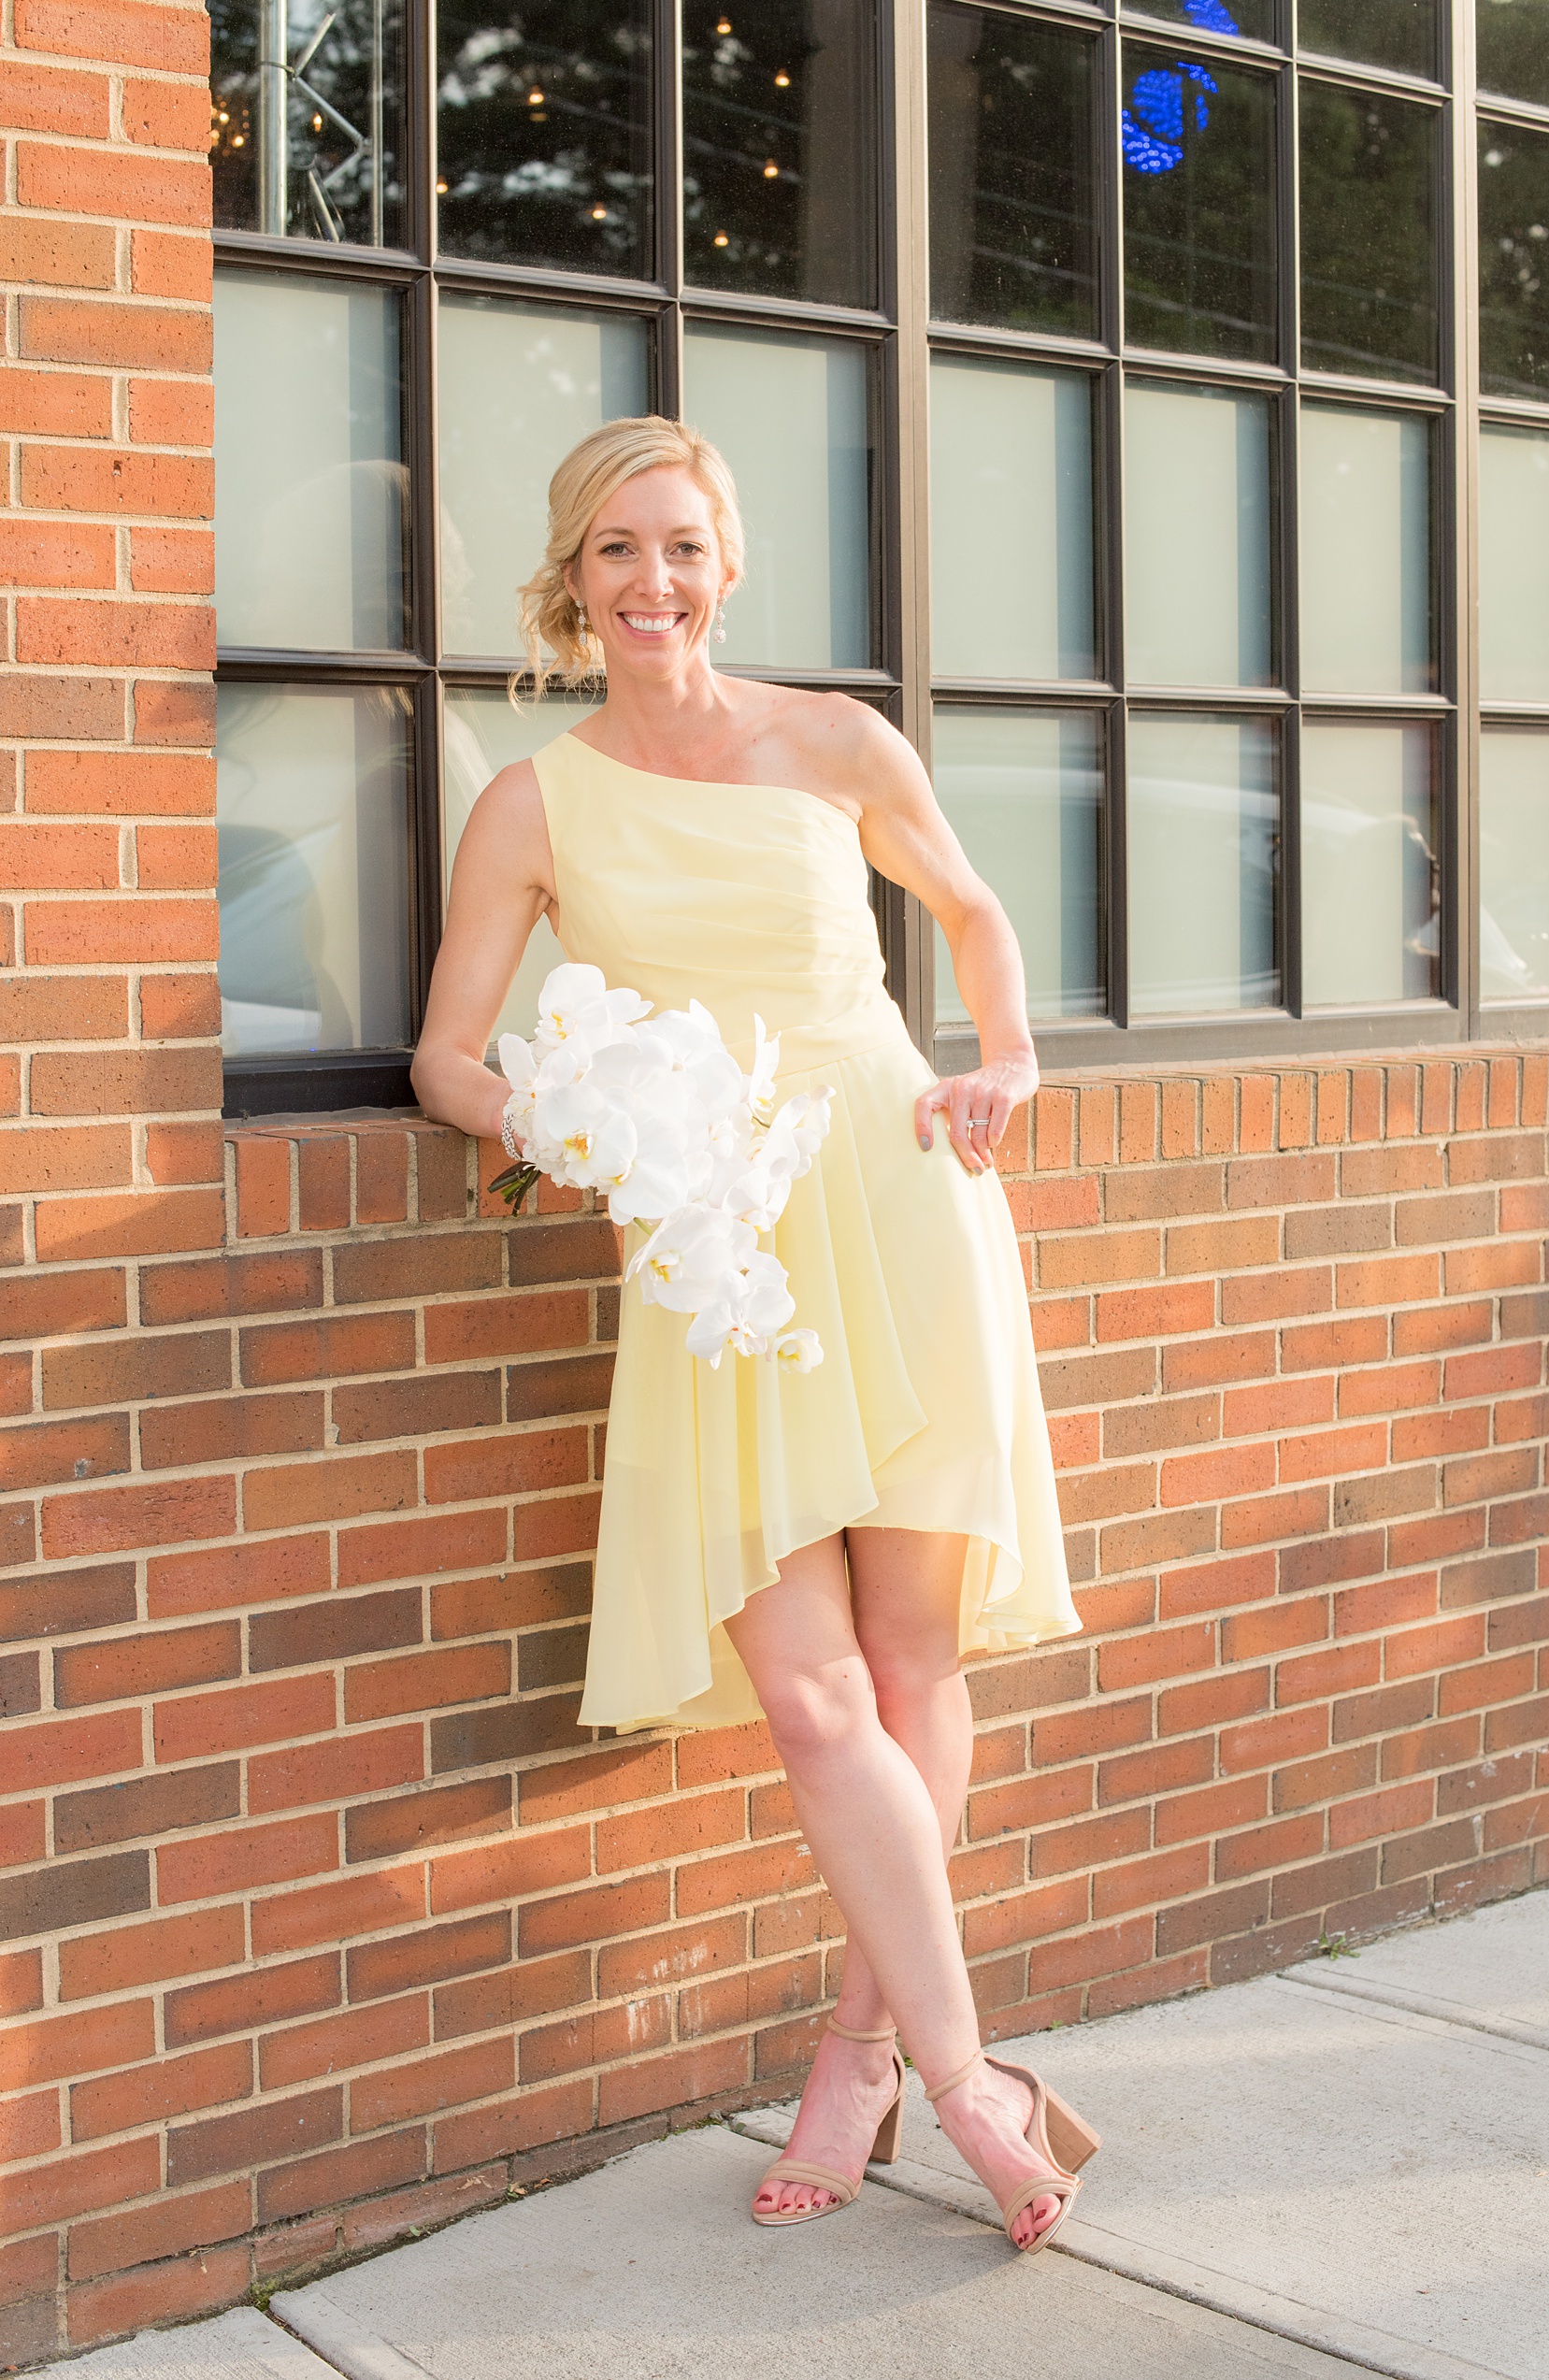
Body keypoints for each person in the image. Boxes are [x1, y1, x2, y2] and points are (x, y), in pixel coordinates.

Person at [411, 416, 1099, 2255]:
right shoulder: (532, 802)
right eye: (618, 552)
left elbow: (968, 912)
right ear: (573, 579)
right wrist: (572, 1127)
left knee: (906, 1661)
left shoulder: (835, 741)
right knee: (808, 1696)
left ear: (729, 567)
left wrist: (1009, 1060)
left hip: (891, 1185)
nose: (654, 583)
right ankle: (972, 2084)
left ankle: (861, 2052)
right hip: (715, 1241)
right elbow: (445, 1051)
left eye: (685, 548)